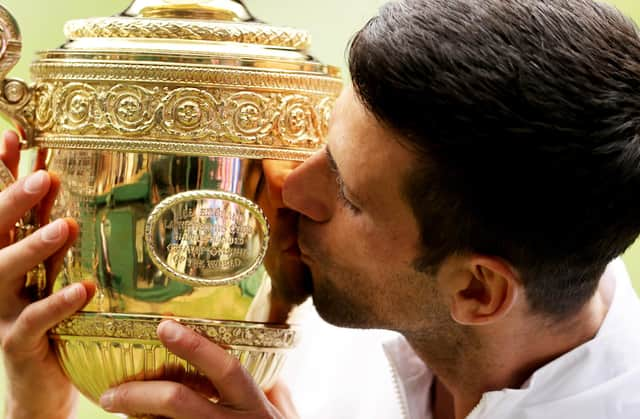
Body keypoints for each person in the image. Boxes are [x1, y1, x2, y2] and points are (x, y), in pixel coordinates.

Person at [3, 0, 640, 417]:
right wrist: (42, 397)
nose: (287, 189)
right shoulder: (331, 303)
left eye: (347, 193)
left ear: (477, 290)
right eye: (323, 147)